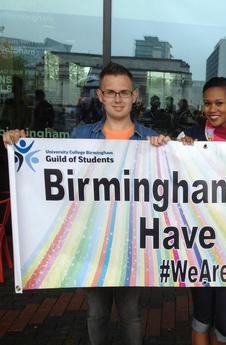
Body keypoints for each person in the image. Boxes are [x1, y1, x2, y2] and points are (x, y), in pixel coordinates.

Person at [3, 62, 169, 345]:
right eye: (111, 92)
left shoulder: (150, 139)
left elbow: (168, 186)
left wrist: (167, 150)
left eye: (124, 93)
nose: (118, 99)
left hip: (132, 240)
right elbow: (51, 171)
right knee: (97, 313)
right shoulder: (80, 136)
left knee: (131, 314)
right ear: (101, 96)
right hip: (91, 241)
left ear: (135, 96)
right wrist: (17, 142)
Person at [178, 77, 226, 345]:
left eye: (220, 103)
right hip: (198, 242)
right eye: (208, 103)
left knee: (225, 322)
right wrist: (178, 148)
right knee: (202, 315)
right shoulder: (189, 138)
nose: (212, 109)